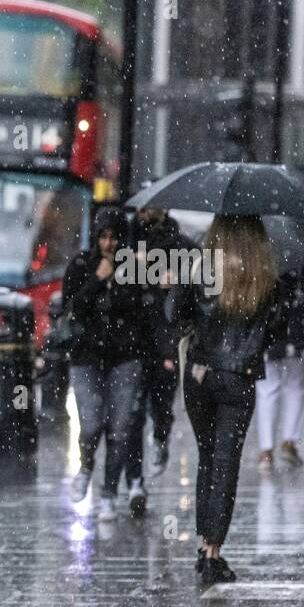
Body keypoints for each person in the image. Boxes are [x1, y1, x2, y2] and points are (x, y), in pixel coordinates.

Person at [170, 214, 283, 586]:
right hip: (238, 377)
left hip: (200, 373)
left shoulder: (201, 264)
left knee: (207, 458)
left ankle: (205, 547)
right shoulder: (264, 274)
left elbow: (176, 313)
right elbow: (276, 327)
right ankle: (213, 550)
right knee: (225, 462)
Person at [63, 207, 147, 521]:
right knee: (91, 423)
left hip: (124, 358)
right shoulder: (81, 265)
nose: (109, 244)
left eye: (114, 237)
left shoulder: (133, 270)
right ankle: (86, 467)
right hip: (87, 358)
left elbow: (139, 312)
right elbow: (74, 308)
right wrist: (97, 281)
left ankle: (110, 493)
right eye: (103, 237)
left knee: (120, 429)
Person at [124, 207, 192, 500]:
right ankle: (135, 481)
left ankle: (161, 440)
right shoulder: (127, 241)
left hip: (166, 341)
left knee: (162, 406)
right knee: (132, 414)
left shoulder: (181, 245)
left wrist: (177, 281)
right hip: (133, 340)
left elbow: (199, 281)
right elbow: (119, 280)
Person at [257, 263, 304, 470]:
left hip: (268, 333)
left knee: (267, 389)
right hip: (298, 332)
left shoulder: (262, 260)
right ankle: (289, 443)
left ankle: (266, 451)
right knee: (295, 387)